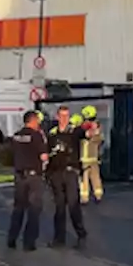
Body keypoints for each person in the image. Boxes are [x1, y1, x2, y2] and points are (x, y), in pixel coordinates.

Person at [46, 105, 88, 249]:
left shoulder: (74, 131)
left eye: (67, 116)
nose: (64, 118)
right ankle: (59, 238)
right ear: (57, 117)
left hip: (70, 172)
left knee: (73, 204)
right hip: (56, 173)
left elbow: (86, 133)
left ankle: (81, 233)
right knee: (59, 207)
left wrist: (91, 127)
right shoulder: (52, 134)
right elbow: (48, 153)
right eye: (62, 116)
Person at [7, 110, 48, 252]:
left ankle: (12, 238)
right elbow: (43, 157)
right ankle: (29, 242)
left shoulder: (17, 135)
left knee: (18, 209)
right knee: (34, 209)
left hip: (19, 176)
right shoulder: (36, 136)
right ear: (33, 121)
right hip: (33, 176)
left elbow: (10, 153)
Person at [78, 106, 104, 204]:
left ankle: (88, 197)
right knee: (93, 178)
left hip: (87, 158)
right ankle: (95, 195)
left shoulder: (92, 127)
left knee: (88, 179)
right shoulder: (95, 127)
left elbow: (97, 139)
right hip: (90, 158)